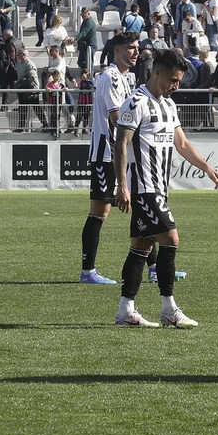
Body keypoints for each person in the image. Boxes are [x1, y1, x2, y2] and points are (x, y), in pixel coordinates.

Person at [111, 49, 218, 328]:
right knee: (170, 240)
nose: (176, 85)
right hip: (144, 188)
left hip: (160, 188)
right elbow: (121, 144)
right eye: (173, 79)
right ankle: (169, 310)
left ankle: (126, 312)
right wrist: (121, 185)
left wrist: (206, 167)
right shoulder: (136, 103)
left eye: (179, 81)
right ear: (156, 72)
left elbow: (182, 144)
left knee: (140, 247)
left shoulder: (169, 106)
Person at [80, 31, 141, 286]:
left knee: (141, 201)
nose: (136, 52)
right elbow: (117, 119)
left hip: (121, 151)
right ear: (117, 50)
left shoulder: (129, 78)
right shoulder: (110, 77)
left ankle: (153, 268)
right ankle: (88, 271)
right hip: (107, 152)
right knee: (100, 210)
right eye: (131, 48)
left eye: (137, 47)